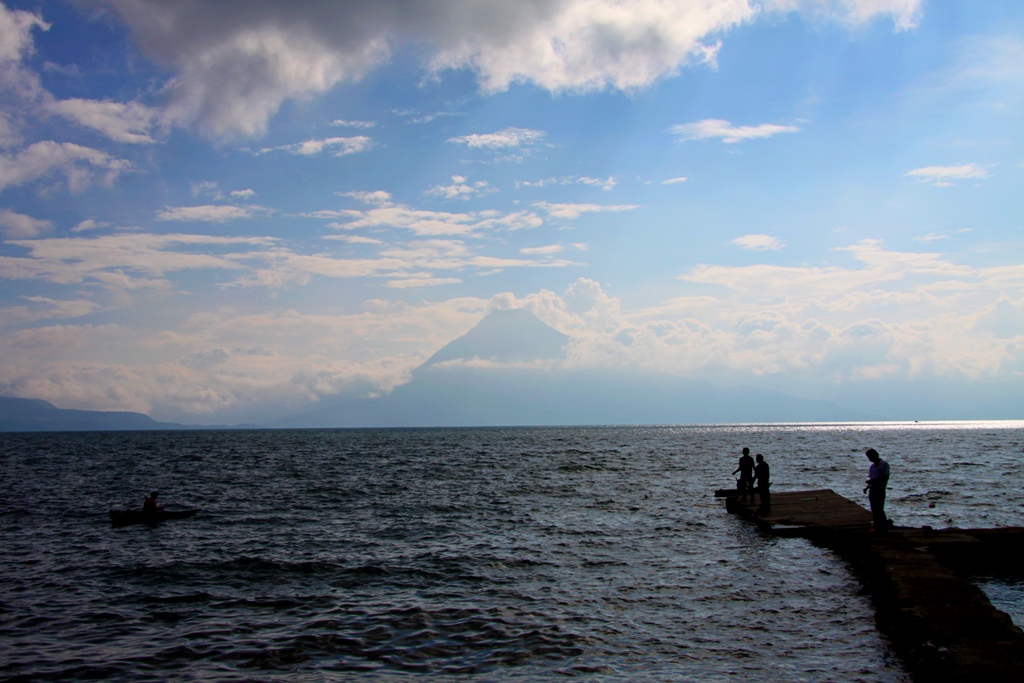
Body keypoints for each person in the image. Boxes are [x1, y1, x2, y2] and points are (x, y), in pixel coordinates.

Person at [863, 448, 890, 533]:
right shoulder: (872, 467)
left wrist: (873, 481)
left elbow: (885, 477)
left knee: (879, 508)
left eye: (870, 457)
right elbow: (871, 479)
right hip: (872, 489)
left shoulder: (884, 464)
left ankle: (883, 527)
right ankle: (877, 526)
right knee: (874, 509)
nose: (869, 459)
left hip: (880, 488)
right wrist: (867, 487)